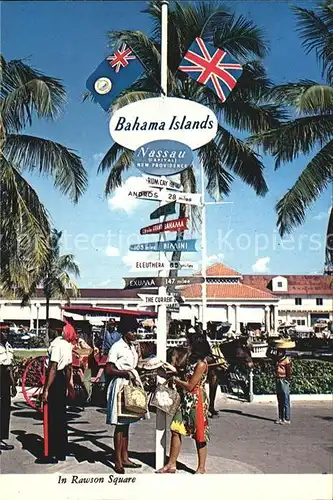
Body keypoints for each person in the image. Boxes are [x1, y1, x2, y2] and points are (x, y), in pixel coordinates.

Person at [156, 333, 211, 474]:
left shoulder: (201, 364)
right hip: (186, 400)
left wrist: (176, 380)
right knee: (175, 429)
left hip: (196, 400)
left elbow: (191, 385)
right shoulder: (192, 361)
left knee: (199, 434)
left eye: (190, 343)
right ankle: (171, 464)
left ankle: (201, 468)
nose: (188, 346)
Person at [105, 315, 147, 474]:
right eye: (131, 331)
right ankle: (117, 460)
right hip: (120, 386)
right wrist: (124, 373)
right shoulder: (117, 347)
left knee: (127, 423)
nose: (134, 334)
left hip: (131, 385)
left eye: (135, 331)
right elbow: (109, 369)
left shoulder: (132, 347)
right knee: (120, 425)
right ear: (124, 332)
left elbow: (135, 365)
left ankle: (125, 457)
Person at [41, 318, 76, 463]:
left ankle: (53, 453)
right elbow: (69, 368)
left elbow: (53, 368)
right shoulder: (67, 345)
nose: (48, 332)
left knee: (53, 418)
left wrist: (46, 389)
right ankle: (62, 451)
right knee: (61, 417)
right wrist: (68, 386)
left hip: (54, 381)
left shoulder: (55, 345)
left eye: (49, 329)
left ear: (54, 330)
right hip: (62, 381)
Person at [267, 341, 292, 424]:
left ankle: (287, 418)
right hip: (278, 379)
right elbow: (268, 354)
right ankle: (281, 418)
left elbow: (289, 372)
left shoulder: (286, 360)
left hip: (283, 380)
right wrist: (270, 347)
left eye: (280, 351)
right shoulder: (276, 359)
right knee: (280, 399)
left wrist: (287, 380)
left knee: (285, 399)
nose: (278, 353)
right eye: (278, 351)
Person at [0, 324, 17, 452]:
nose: (5, 334)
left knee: (5, 409)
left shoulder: (8, 347)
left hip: (5, 380)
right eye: (3, 332)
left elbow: (9, 368)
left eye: (7, 332)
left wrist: (13, 385)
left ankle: (1, 438)